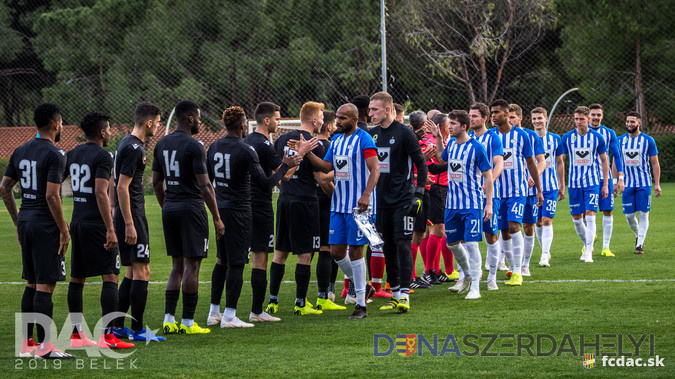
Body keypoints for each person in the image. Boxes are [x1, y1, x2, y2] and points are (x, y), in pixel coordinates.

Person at [208, 106, 303, 327]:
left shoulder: (214, 146)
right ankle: (230, 316)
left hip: (220, 209)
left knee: (222, 260)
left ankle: (214, 313)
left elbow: (207, 180)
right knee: (239, 263)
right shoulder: (246, 149)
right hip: (240, 211)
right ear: (242, 125)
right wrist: (285, 166)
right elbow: (267, 183)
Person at [1, 103, 75, 359]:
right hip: (45, 223)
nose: (62, 126)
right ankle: (45, 348)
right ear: (56, 124)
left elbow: (4, 187)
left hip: (26, 219)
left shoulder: (20, 150)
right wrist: (64, 230)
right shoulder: (56, 154)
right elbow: (52, 196)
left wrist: (17, 220)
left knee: (32, 283)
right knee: (45, 285)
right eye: (62, 122)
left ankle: (26, 345)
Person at [300, 103, 380, 318]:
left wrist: (366, 194)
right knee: (336, 251)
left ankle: (361, 304)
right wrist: (306, 153)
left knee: (355, 250)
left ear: (354, 120)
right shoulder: (335, 140)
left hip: (359, 206)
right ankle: (363, 286)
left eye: (343, 118)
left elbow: (375, 169)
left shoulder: (364, 139)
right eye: (337, 117)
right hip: (338, 205)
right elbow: (326, 167)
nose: (338, 122)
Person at [152, 100, 224, 334]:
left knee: (176, 266)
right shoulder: (195, 146)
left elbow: (156, 182)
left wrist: (166, 205)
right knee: (192, 265)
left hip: (170, 206)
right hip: (191, 208)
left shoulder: (161, 143)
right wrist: (216, 217)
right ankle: (188, 323)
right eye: (199, 117)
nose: (200, 122)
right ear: (190, 118)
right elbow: (204, 186)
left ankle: (168, 319)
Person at [64, 112, 133, 350]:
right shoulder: (104, 156)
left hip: (77, 222)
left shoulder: (72, 154)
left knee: (77, 278)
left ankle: (76, 335)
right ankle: (107, 336)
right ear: (102, 132)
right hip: (96, 224)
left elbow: (53, 182)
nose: (112, 132)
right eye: (110, 128)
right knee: (110, 275)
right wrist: (110, 229)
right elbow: (100, 192)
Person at [368, 92, 428, 313]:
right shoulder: (371, 135)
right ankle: (394, 294)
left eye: (374, 109)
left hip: (403, 199)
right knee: (387, 247)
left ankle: (404, 295)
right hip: (380, 202)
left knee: (403, 243)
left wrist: (418, 194)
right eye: (369, 109)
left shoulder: (405, 134)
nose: (370, 113)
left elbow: (421, 166)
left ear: (387, 109)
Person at [266, 101, 327, 316]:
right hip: (306, 202)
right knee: (305, 254)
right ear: (313, 119)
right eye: (321, 116)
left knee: (280, 252)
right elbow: (320, 176)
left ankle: (272, 302)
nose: (322, 120)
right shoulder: (315, 144)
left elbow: (279, 170)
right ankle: (300, 303)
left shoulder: (282, 139)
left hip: (284, 200)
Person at [112, 101, 164, 342]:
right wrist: (130, 223)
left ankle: (118, 326)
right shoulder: (135, 148)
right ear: (149, 122)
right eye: (159, 122)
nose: (160, 126)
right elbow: (122, 187)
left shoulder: (125, 142)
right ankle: (139, 330)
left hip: (126, 215)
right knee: (143, 271)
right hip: (132, 216)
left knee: (133, 272)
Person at [429, 110, 494, 300]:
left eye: (453, 124)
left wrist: (488, 203)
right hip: (452, 205)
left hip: (471, 204)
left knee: (472, 245)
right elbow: (442, 157)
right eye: (449, 124)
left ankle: (476, 287)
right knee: (452, 244)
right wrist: (438, 138)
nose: (450, 127)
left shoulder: (477, 147)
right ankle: (467, 275)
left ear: (464, 127)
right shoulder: (453, 146)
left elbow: (488, 175)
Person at [236, 102, 287, 323]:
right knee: (260, 258)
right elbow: (284, 174)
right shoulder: (265, 145)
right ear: (266, 120)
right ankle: (257, 311)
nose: (279, 122)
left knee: (235, 259)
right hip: (261, 206)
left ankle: (222, 311)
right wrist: (299, 155)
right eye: (277, 118)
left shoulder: (246, 141)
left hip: (244, 204)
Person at [490, 99, 543, 286]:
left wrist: (538, 189)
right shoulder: (490, 136)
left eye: (497, 112)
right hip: (497, 192)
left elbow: (531, 163)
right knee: (503, 231)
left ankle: (519, 271)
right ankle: (512, 267)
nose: (494, 116)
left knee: (514, 226)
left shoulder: (522, 136)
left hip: (517, 191)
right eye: (492, 113)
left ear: (506, 114)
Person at [560, 106, 612, 263]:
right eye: (576, 119)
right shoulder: (567, 137)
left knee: (590, 214)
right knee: (576, 219)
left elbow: (604, 161)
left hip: (592, 182)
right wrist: (562, 184)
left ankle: (588, 250)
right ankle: (588, 242)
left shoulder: (597, 138)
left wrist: (605, 184)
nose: (578, 122)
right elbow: (560, 161)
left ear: (588, 120)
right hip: (574, 184)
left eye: (581, 119)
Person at [467, 102, 503, 290]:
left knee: (490, 235)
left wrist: (488, 182)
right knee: (467, 238)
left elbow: (499, 164)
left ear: (485, 118)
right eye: (470, 115)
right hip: (468, 197)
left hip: (489, 195)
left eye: (474, 116)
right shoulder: (467, 137)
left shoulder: (494, 139)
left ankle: (492, 277)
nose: (471, 119)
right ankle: (470, 275)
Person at [312, 111, 346, 310]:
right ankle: (326, 293)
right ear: (329, 127)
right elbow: (325, 179)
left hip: (310, 201)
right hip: (327, 202)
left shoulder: (311, 144)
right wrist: (337, 197)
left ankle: (307, 297)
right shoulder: (327, 146)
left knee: (310, 252)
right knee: (329, 249)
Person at [509, 104, 545, 276]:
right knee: (509, 227)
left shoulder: (530, 136)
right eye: (507, 117)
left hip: (528, 190)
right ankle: (509, 263)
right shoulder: (497, 136)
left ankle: (525, 264)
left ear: (520, 118)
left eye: (513, 117)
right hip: (508, 190)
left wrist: (534, 175)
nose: (510, 121)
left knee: (528, 226)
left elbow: (541, 160)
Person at [618, 111, 661, 254]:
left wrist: (657, 184)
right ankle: (638, 235)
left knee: (643, 214)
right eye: (627, 121)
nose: (629, 124)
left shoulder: (648, 140)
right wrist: (615, 181)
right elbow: (615, 162)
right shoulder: (620, 140)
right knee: (629, 216)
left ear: (639, 123)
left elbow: (654, 163)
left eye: (632, 122)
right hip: (627, 184)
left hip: (644, 183)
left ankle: (639, 245)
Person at [423, 113, 456, 285]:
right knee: (437, 230)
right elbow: (434, 167)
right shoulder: (433, 142)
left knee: (436, 231)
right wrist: (457, 162)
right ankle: (429, 271)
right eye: (449, 124)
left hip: (441, 188)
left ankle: (436, 270)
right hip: (435, 189)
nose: (451, 127)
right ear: (444, 127)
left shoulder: (442, 141)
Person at [530, 107, 565, 267]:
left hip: (550, 186)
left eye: (540, 118)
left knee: (546, 220)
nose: (537, 121)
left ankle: (544, 255)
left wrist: (562, 184)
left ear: (545, 119)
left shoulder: (555, 139)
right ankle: (545, 250)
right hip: (531, 188)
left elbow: (559, 163)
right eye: (534, 118)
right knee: (537, 222)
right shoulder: (527, 138)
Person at [588, 104, 624, 257]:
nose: (596, 117)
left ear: (602, 116)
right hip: (587, 180)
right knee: (587, 213)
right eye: (593, 115)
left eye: (598, 115)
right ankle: (588, 240)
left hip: (605, 178)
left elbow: (617, 156)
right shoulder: (579, 133)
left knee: (608, 210)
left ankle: (605, 247)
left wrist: (618, 179)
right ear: (588, 116)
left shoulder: (609, 133)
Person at [408, 110, 433, 290]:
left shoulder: (423, 143)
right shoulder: (408, 142)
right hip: (413, 192)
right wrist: (419, 177)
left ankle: (415, 275)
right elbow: (403, 169)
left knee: (419, 233)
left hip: (424, 192)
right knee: (413, 235)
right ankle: (410, 276)